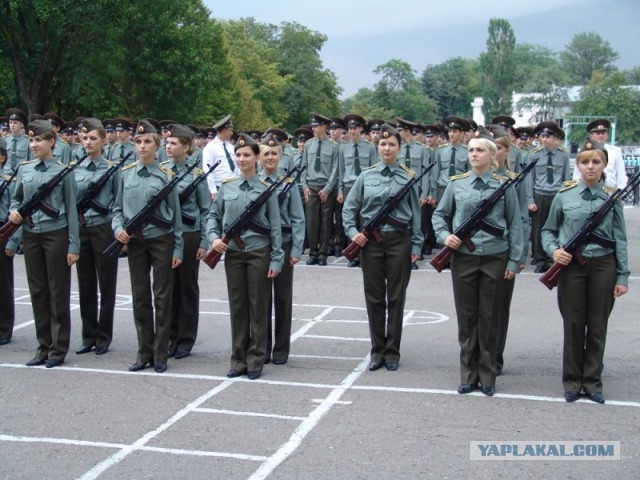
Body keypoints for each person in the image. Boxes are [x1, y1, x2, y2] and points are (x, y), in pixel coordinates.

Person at [432, 127, 523, 396]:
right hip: (464, 258)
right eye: (471, 150)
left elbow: (515, 224)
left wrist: (514, 261)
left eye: (480, 149)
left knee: (490, 317)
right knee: (467, 316)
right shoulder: (456, 183)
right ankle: (468, 375)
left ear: (492, 155)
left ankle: (488, 376)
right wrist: (445, 236)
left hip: (496, 256)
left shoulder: (504, 185)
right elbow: (439, 215)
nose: (474, 154)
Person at [541, 140, 629, 404]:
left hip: (603, 265)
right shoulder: (564, 195)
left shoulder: (612, 197)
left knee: (598, 325)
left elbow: (620, 239)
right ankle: (572, 381)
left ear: (604, 166)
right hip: (571, 267)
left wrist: (623, 276)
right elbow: (548, 230)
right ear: (577, 165)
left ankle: (592, 382)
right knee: (574, 324)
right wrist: (554, 251)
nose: (590, 167)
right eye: (585, 162)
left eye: (596, 162)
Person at [343, 123, 423, 372]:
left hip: (400, 240)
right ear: (377, 147)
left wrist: (417, 244)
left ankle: (392, 351)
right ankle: (377, 350)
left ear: (399, 148)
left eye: (392, 144)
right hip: (371, 243)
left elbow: (417, 215)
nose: (387, 148)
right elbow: (349, 209)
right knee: (374, 297)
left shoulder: (407, 176)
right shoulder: (366, 176)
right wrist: (353, 233)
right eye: (383, 144)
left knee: (396, 297)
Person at [207, 133, 284, 380]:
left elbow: (275, 226)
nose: (241, 159)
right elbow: (212, 217)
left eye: (246, 155)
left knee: (258, 306)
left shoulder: (266, 190)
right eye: (238, 155)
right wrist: (214, 238)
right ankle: (238, 359)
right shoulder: (227, 187)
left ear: (257, 158)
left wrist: (276, 258)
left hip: (259, 253)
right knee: (238, 306)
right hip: (234, 254)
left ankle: (256, 358)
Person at [112, 119, 183, 373]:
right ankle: (144, 352)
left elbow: (176, 217)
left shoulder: (166, 175)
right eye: (139, 142)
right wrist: (118, 228)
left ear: (158, 145)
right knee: (140, 296)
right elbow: (117, 209)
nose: (142, 146)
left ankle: (160, 354)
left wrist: (178, 248)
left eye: (147, 142)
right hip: (135, 242)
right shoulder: (126, 173)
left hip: (161, 240)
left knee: (162, 297)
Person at [8, 120, 80, 368]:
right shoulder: (25, 169)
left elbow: (71, 210)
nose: (34, 144)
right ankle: (42, 347)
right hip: (31, 235)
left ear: (52, 142)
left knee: (57, 291)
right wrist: (14, 211)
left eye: (39, 140)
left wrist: (73, 245)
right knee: (37, 291)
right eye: (32, 140)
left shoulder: (63, 171)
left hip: (55, 234)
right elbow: (15, 199)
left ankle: (58, 349)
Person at [163, 123, 211, 360]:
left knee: (187, 288)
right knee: (168, 287)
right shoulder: (161, 171)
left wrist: (204, 242)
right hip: (166, 235)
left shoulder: (196, 175)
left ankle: (185, 339)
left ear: (186, 147)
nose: (168, 147)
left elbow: (205, 210)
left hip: (190, 235)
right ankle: (170, 336)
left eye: (173, 143)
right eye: (167, 143)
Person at [73, 118, 120, 356]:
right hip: (82, 229)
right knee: (85, 284)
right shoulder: (75, 168)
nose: (88, 142)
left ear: (103, 140)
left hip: (103, 228)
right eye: (85, 138)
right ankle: (88, 335)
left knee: (106, 284)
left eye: (93, 138)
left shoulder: (112, 169)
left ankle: (103, 336)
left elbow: (117, 201)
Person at [259, 133, 305, 365]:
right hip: (261, 246)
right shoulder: (253, 182)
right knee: (262, 299)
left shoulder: (289, 183)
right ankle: (263, 347)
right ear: (259, 156)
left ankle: (281, 349)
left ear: (280, 156)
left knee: (283, 299)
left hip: (285, 245)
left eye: (274, 153)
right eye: (266, 153)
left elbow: (298, 219)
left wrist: (296, 249)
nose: (270, 157)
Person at [492, 129, 529, 376]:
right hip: (477, 251)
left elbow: (523, 219)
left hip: (504, 249)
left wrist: (520, 255)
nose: (494, 152)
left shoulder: (515, 179)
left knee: (499, 308)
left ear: (508, 151)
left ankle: (494, 357)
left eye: (499, 148)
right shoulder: (469, 177)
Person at [527, 121, 570, 273]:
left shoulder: (563, 156)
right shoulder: (534, 155)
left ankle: (553, 257)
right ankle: (540, 259)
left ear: (555, 137)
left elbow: (566, 179)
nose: (544, 139)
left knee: (556, 228)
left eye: (548, 136)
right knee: (538, 229)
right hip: (540, 194)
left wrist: (566, 198)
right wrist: (530, 200)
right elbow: (530, 179)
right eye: (542, 136)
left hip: (556, 195)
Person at [338, 114, 377, 268]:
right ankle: (353, 253)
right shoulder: (343, 147)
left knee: (365, 221)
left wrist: (372, 189)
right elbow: (341, 171)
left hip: (365, 187)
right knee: (350, 220)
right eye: (350, 128)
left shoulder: (370, 147)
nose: (352, 131)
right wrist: (340, 190)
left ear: (361, 129)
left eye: (355, 128)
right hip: (349, 186)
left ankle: (363, 255)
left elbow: (374, 169)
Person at [300, 113, 338, 266]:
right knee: (312, 222)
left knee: (325, 222)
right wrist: (304, 187)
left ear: (324, 127)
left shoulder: (333, 146)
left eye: (316, 126)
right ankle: (313, 253)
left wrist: (328, 188)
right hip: (311, 188)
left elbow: (336, 169)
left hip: (326, 188)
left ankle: (322, 254)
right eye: (313, 126)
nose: (313, 129)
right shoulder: (309, 144)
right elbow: (303, 167)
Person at [0, 138, 21, 345]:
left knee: (3, 283)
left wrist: (13, 241)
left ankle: (4, 328)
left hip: (2, 231)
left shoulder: (9, 180)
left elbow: (16, 214)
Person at [572, 119, 627, 189]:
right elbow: (576, 177)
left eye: (603, 133)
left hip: (610, 195)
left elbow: (621, 179)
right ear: (591, 135)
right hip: (587, 194)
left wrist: (618, 196)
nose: (601, 136)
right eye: (597, 133)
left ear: (607, 135)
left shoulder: (616, 152)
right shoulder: (583, 152)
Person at [201, 114, 238, 200]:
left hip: (233, 186)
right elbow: (207, 170)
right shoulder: (210, 147)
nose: (232, 133)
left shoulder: (230, 147)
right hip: (219, 187)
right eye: (230, 130)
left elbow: (236, 166)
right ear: (224, 130)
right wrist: (213, 190)